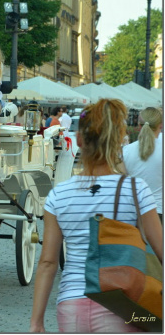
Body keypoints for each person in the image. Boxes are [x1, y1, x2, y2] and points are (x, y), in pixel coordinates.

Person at [29, 99, 163, 333]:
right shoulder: (136, 190)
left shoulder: (58, 195)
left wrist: (37, 323)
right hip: (123, 306)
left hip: (71, 305)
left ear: (79, 140)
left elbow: (48, 263)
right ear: (120, 141)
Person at [121, 107, 163, 217]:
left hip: (133, 211)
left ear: (139, 126)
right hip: (159, 210)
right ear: (160, 125)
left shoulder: (126, 151)